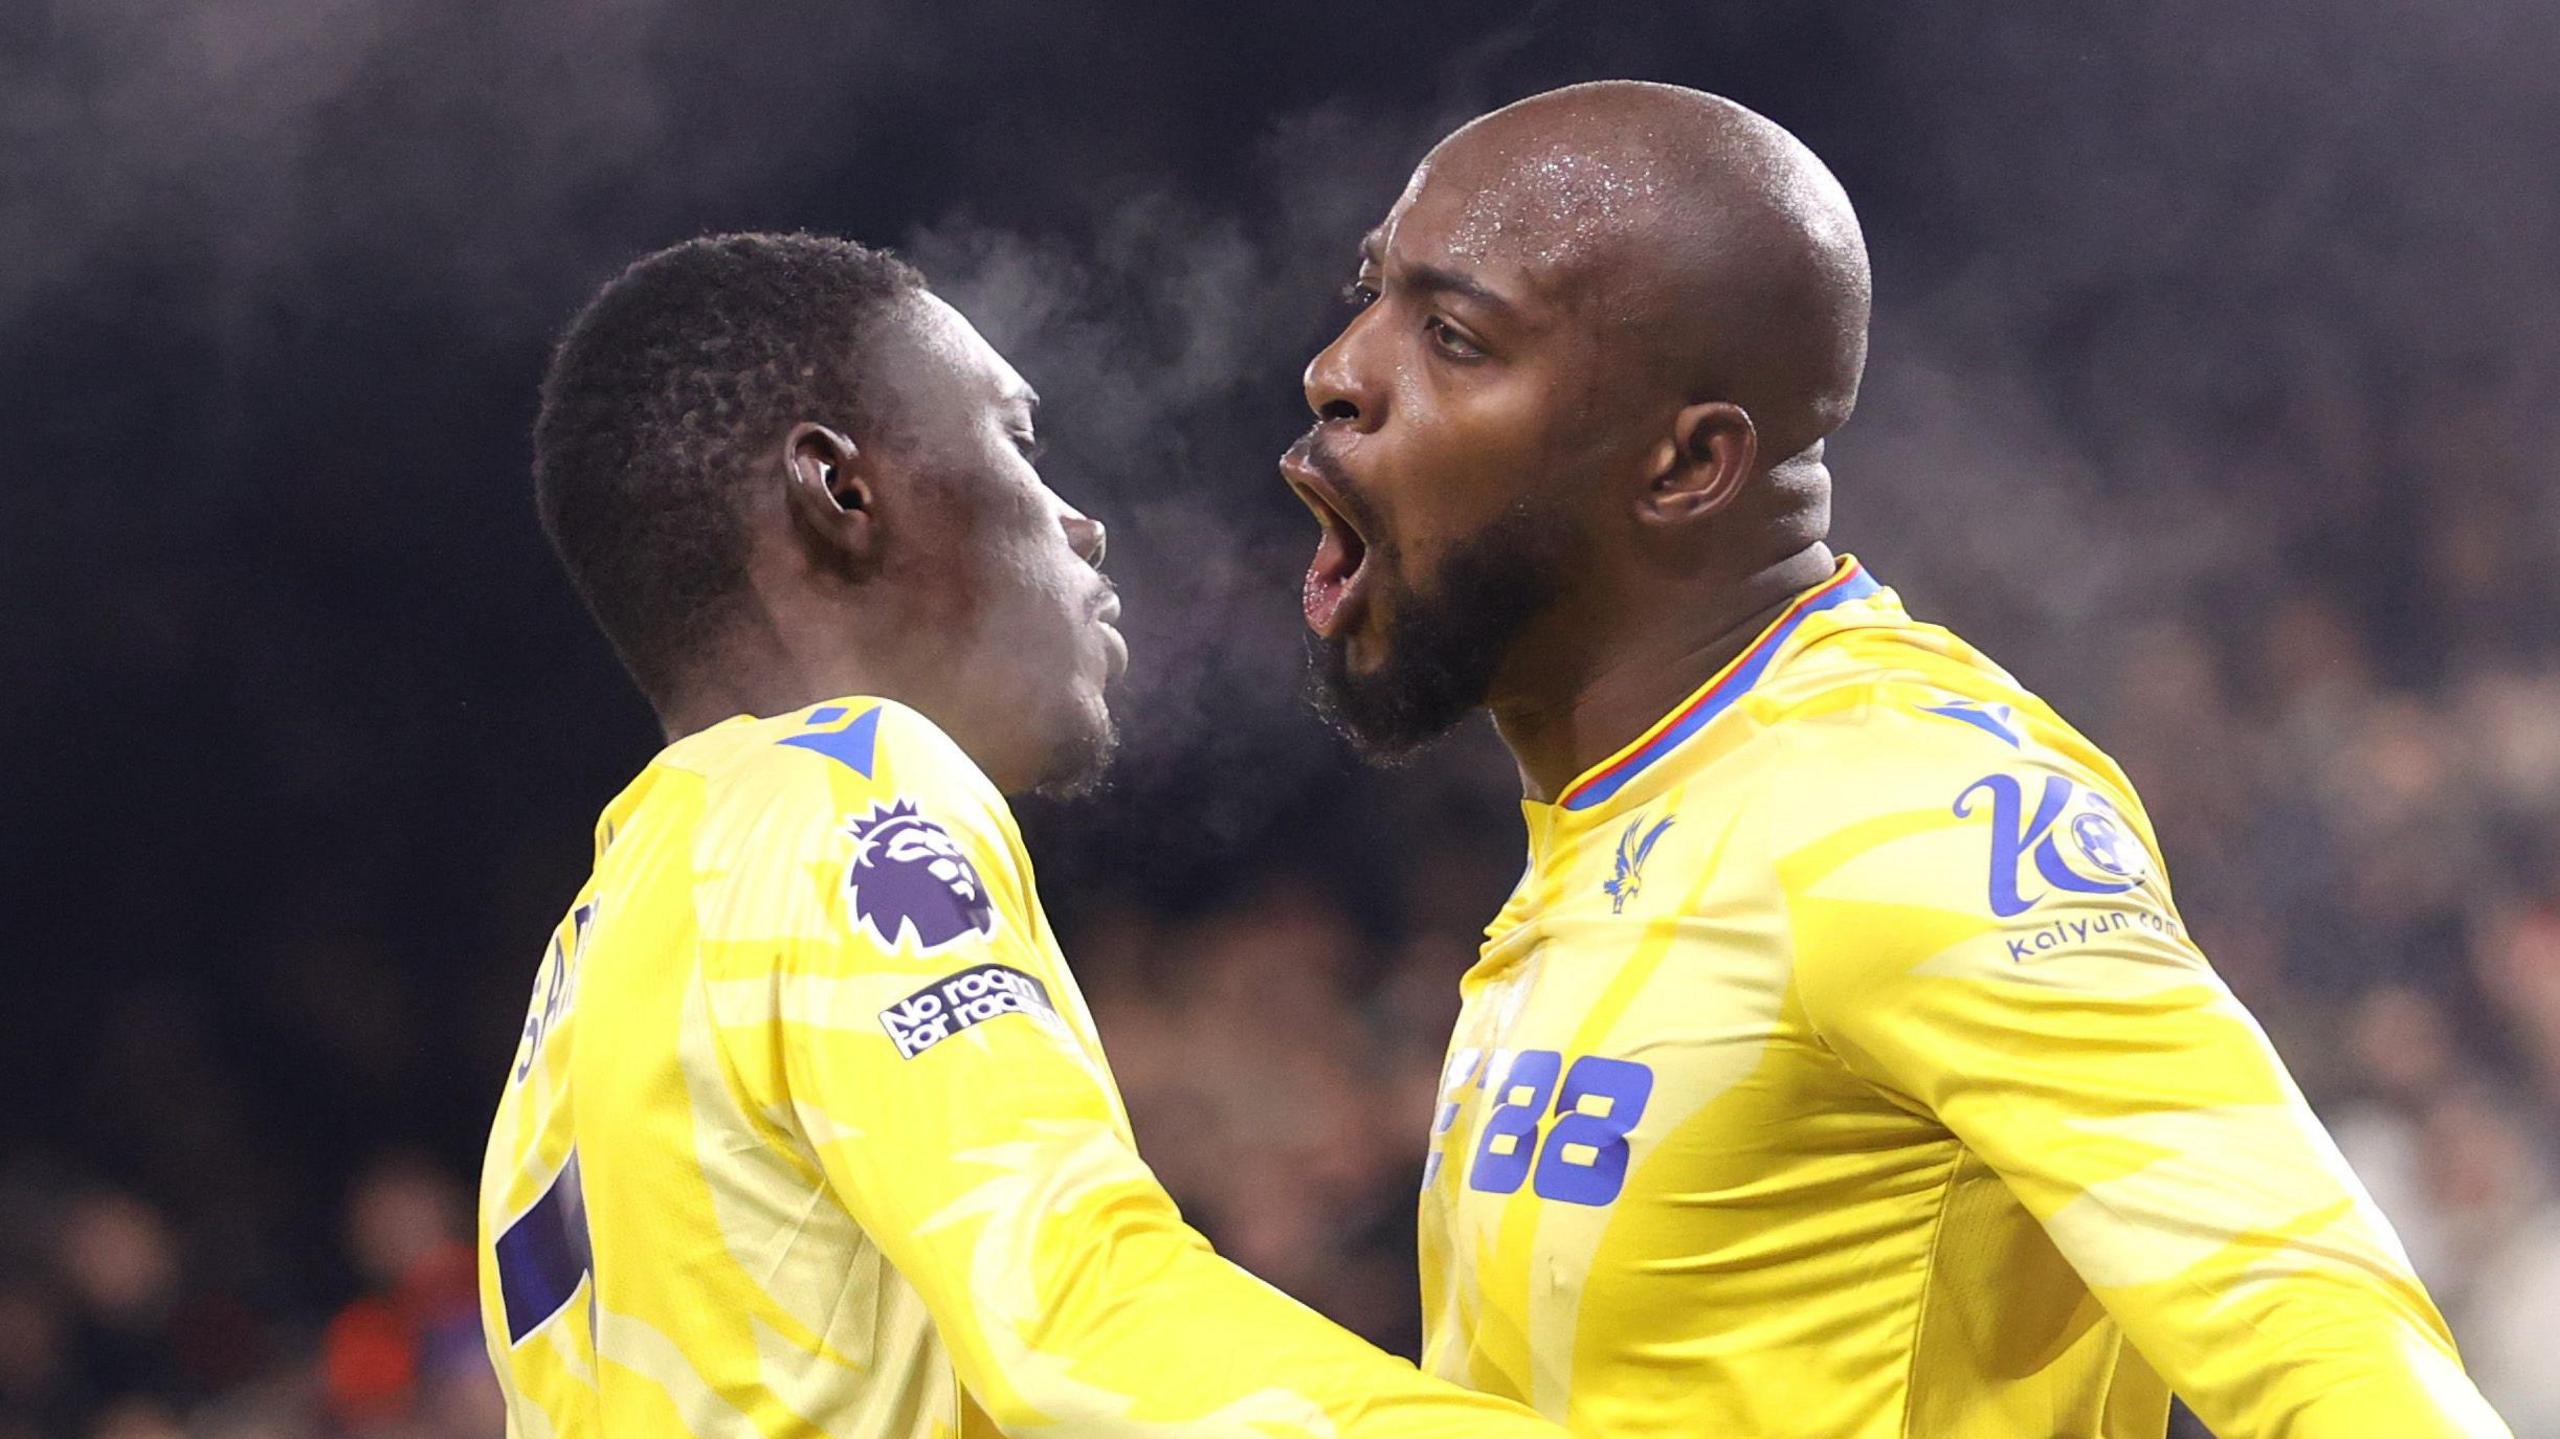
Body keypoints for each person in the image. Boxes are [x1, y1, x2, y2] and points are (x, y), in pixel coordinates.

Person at [1285, 81, 2511, 1438]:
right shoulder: (1637, 798)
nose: (1339, 368)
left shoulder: (1904, 801)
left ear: (1687, 463)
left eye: (1453, 336)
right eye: (1372, 292)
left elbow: (2335, 1344)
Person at [479, 232, 1567, 1439]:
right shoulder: (843, 785)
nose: (1082, 523)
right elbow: (1080, 1316)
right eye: (1018, 442)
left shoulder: (592, 962)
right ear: (841, 492)